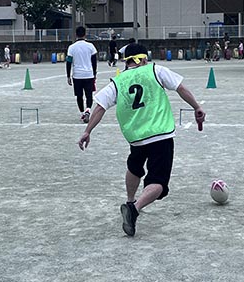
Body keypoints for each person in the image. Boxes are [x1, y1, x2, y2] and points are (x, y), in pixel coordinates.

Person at [78, 43, 205, 237]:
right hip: (160, 133)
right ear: (144, 58)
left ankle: (130, 200)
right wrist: (196, 107)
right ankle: (134, 208)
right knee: (158, 182)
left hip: (136, 137)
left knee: (135, 166)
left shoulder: (118, 81)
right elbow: (181, 88)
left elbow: (100, 107)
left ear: (127, 62)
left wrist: (88, 131)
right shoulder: (156, 70)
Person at [66, 26, 98, 123]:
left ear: (76, 34)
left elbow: (68, 62)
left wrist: (68, 75)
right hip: (89, 74)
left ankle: (82, 113)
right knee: (89, 95)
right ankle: (88, 110)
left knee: (79, 96)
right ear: (85, 34)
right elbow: (94, 61)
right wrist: (94, 73)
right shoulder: (90, 46)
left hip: (77, 75)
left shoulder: (72, 47)